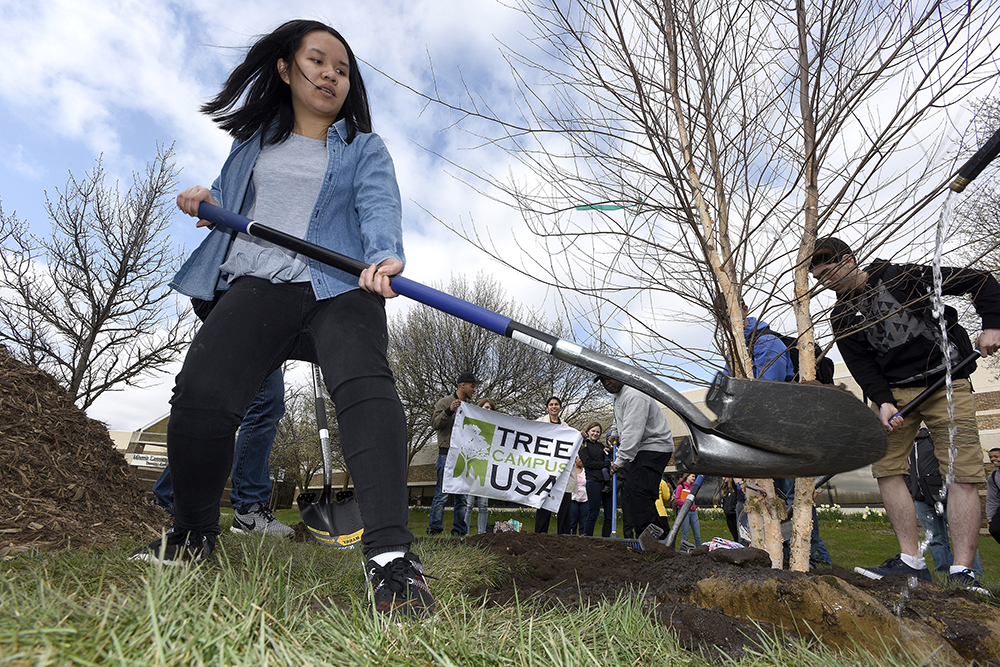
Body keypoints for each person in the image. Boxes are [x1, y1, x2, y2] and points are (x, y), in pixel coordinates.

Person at [128, 20, 434, 619]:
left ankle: (392, 556)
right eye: (318, 61)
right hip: (259, 282)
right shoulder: (253, 144)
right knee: (200, 396)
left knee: (368, 391)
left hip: (341, 284)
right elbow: (225, 205)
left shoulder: (363, 148)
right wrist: (205, 202)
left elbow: (378, 205)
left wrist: (383, 256)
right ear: (286, 69)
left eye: (342, 70)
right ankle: (191, 536)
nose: (330, 75)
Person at [811, 236, 1000, 594]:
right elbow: (863, 366)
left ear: (849, 260)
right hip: (895, 395)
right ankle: (911, 562)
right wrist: (882, 401)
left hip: (946, 382)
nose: (827, 281)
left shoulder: (902, 277)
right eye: (820, 278)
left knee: (962, 472)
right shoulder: (841, 315)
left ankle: (963, 572)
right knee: (886, 468)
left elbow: (978, 280)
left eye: (830, 270)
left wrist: (992, 324)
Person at [152, 370, 293, 538]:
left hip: (272, 345)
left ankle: (249, 508)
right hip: (240, 344)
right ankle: (167, 502)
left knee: (266, 404)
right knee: (224, 408)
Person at [596, 375, 674, 539]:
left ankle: (648, 538)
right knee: (640, 493)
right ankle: (661, 537)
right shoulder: (617, 395)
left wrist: (617, 462)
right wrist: (615, 433)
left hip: (655, 446)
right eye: (603, 381)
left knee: (636, 490)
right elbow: (619, 419)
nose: (607, 383)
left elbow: (633, 432)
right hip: (641, 449)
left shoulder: (634, 394)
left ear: (619, 374)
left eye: (609, 378)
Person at [907, 428, 983, 574]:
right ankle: (942, 571)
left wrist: (937, 480)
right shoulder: (905, 446)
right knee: (934, 538)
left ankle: (974, 572)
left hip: (945, 497)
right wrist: (912, 488)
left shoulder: (931, 439)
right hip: (921, 500)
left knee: (962, 536)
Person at [429, 372, 477, 536]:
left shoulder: (471, 408)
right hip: (446, 455)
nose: (474, 390)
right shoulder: (445, 402)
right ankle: (434, 530)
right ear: (462, 385)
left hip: (464, 457)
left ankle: (459, 531)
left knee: (462, 497)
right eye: (472, 386)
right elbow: (435, 424)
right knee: (441, 495)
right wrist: (450, 410)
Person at [463, 397, 495, 534]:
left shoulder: (495, 426)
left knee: (483, 504)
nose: (488, 410)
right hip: (471, 467)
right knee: (468, 504)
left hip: (485, 468)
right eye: (485, 407)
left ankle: (482, 534)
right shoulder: (472, 424)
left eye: (490, 408)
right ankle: (465, 532)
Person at [533, 396, 564, 533]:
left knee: (562, 506)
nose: (554, 406)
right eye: (551, 404)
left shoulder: (566, 427)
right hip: (543, 469)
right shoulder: (539, 422)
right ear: (547, 408)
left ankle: (563, 537)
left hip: (558, 471)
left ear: (560, 408)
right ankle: (540, 535)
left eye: (556, 404)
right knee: (543, 503)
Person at [580, 421, 614, 536]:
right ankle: (588, 536)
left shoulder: (601, 446)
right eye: (593, 431)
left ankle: (606, 538)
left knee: (609, 514)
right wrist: (606, 465)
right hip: (593, 482)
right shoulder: (584, 445)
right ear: (588, 431)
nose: (595, 434)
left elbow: (608, 458)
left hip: (606, 483)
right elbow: (588, 463)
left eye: (598, 432)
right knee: (593, 512)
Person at [673, 473, 702, 547]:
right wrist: (687, 503)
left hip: (693, 512)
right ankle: (684, 550)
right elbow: (677, 500)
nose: (694, 478)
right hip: (684, 511)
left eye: (695, 477)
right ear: (687, 476)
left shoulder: (693, 487)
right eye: (693, 476)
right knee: (685, 534)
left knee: (697, 535)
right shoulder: (680, 486)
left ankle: (700, 550)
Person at [568, 456, 588, 535]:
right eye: (579, 458)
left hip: (585, 499)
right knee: (573, 521)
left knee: (583, 521)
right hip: (573, 499)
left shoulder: (585, 471)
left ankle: (582, 537)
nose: (581, 460)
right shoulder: (570, 471)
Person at [988, 447, 1000, 546]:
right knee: (994, 528)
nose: (992, 459)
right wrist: (990, 517)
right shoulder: (993, 477)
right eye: (991, 457)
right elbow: (992, 499)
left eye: (996, 456)